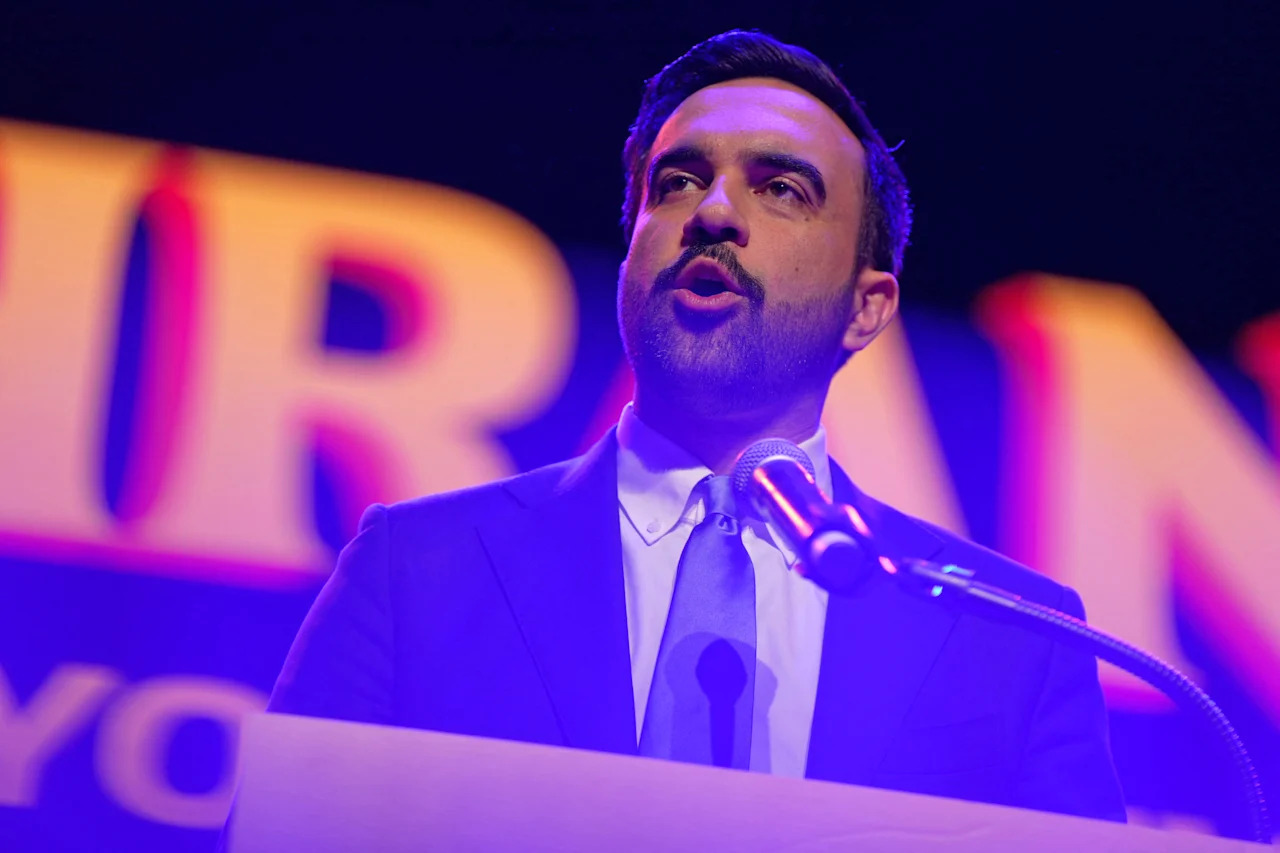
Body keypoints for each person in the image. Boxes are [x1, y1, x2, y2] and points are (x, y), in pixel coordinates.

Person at [267, 30, 1126, 822]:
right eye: (677, 181)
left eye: (781, 188)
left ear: (866, 309)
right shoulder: (416, 567)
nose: (712, 212)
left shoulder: (1012, 638)